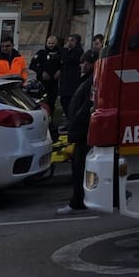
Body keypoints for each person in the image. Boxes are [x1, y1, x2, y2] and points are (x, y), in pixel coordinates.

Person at [57, 52, 97, 215]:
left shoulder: (91, 82)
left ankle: (78, 202)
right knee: (79, 168)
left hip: (82, 132)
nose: (81, 65)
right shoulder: (88, 80)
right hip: (81, 132)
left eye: (84, 62)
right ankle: (79, 200)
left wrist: (74, 124)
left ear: (91, 63)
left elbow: (85, 108)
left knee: (79, 169)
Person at [30, 36, 63, 113]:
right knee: (41, 101)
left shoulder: (60, 53)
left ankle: (50, 117)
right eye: (49, 43)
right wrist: (41, 72)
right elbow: (32, 65)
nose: (51, 45)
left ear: (56, 43)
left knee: (52, 101)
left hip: (54, 82)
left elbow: (64, 65)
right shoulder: (41, 53)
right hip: (42, 82)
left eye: (53, 43)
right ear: (46, 43)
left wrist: (60, 71)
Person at [59, 34, 85, 121]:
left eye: (72, 41)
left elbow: (68, 59)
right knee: (64, 101)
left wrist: (65, 50)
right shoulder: (68, 51)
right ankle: (69, 120)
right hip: (65, 81)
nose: (70, 43)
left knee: (70, 102)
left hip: (73, 82)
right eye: (69, 40)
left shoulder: (78, 51)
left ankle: (72, 120)